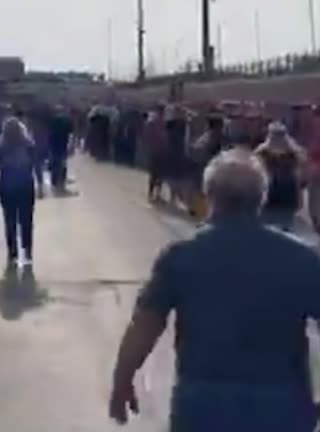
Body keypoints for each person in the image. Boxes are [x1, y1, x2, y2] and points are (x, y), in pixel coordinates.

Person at [109, 149, 320, 431]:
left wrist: (121, 383)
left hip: (203, 406)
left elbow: (144, 326)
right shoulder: (302, 259)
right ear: (262, 198)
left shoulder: (180, 257)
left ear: (209, 196)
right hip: (282, 407)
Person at [0, 117, 41, 267]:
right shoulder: (28, 145)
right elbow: (36, 165)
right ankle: (28, 251)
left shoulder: (0, 148)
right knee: (27, 221)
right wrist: (41, 184)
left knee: (9, 220)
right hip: (25, 185)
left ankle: (13, 253)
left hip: (7, 187)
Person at [255, 121, 306, 231]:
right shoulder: (262, 152)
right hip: (269, 192)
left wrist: (299, 196)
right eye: (274, 134)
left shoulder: (293, 153)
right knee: (266, 227)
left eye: (280, 134)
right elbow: (257, 173)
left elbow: (297, 175)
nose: (277, 137)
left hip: (288, 193)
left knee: (286, 227)